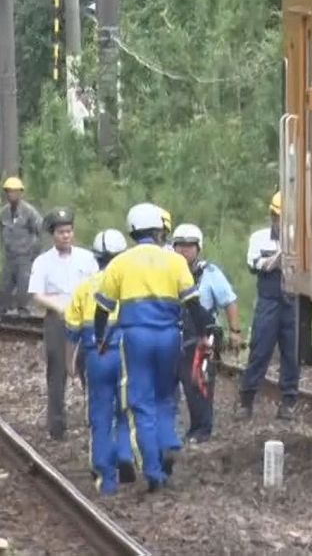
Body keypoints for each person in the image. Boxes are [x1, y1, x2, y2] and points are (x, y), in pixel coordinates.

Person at [92, 202, 216, 492]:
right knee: (165, 397)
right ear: (160, 230)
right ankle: (169, 441)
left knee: (141, 401)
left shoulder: (119, 263)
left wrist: (100, 339)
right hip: (169, 337)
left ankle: (153, 470)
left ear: (133, 230)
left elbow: (102, 309)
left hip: (135, 337)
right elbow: (194, 305)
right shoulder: (175, 262)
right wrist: (203, 336)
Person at [65, 229, 135, 494]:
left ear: (96, 257)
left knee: (100, 415)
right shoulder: (129, 286)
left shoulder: (84, 288)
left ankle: (105, 478)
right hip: (126, 355)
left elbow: (71, 330)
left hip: (97, 356)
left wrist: (71, 362)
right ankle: (126, 454)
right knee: (126, 408)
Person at [27, 208, 98, 440]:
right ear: (53, 234)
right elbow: (37, 294)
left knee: (90, 367)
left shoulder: (86, 258)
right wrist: (60, 307)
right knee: (57, 371)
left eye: (69, 231)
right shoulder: (43, 261)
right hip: (57, 319)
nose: (66, 236)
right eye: (60, 232)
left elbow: (97, 285)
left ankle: (95, 418)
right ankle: (56, 425)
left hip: (85, 319)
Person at [170, 223, 243, 444]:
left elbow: (229, 301)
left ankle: (202, 428)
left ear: (198, 248)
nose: (184, 251)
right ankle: (186, 427)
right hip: (178, 332)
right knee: (181, 382)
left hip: (204, 334)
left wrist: (235, 331)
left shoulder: (210, 274)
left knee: (199, 380)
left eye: (189, 247)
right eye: (180, 246)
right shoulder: (169, 272)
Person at [238, 191, 299, 421]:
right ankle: (246, 399)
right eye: (279, 217)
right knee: (260, 350)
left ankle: (289, 402)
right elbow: (255, 264)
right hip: (269, 300)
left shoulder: (301, 237)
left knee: (291, 353)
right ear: (273, 215)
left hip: (292, 300)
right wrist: (277, 260)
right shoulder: (260, 238)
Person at [1, 176, 42, 315]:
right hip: (10, 257)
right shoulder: (4, 213)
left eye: (14, 191)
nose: (11, 194)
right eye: (8, 191)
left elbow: (40, 230)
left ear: (20, 193)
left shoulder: (29, 212)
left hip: (25, 257)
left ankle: (24, 316)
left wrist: (35, 253)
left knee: (24, 289)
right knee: (4, 289)